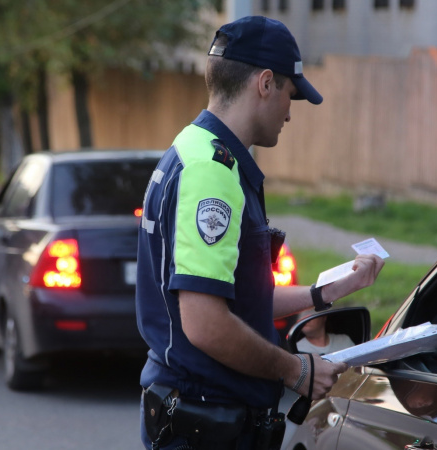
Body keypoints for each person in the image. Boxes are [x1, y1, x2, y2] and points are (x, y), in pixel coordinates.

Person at [136, 16, 384, 449]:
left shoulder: (194, 150)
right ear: (265, 83)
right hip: (206, 423)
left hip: (201, 416)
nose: (290, 112)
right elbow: (207, 324)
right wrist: (297, 370)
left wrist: (323, 292)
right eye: (291, 94)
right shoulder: (211, 175)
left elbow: (234, 299)